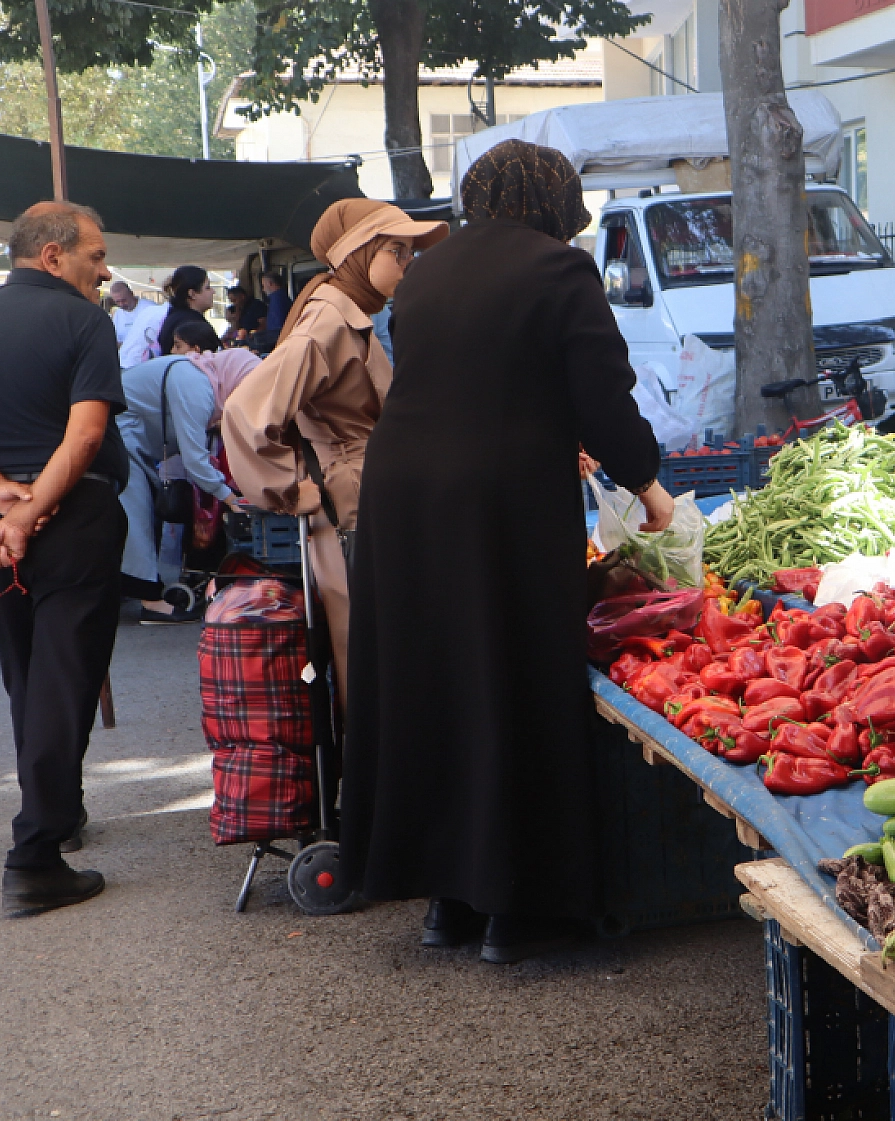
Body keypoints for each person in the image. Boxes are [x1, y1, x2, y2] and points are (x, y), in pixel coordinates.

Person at [339, 141, 674, 964]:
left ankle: (447, 902)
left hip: (405, 494)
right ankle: (518, 910)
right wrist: (650, 486)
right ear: (553, 202)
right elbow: (603, 395)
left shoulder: (427, 274)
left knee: (438, 680)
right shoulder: (558, 269)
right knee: (516, 679)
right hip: (500, 497)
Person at [222, 200, 446, 693]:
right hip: (351, 505)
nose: (406, 265)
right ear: (360, 254)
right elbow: (245, 411)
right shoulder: (328, 322)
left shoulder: (349, 316)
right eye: (397, 251)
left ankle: (378, 761)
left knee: (376, 650)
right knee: (368, 652)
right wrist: (283, 487)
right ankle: (374, 763)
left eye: (409, 253)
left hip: (367, 499)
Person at [0, 201, 130, 917]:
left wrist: (0, 499)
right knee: (63, 679)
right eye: (94, 256)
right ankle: (34, 852)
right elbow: (88, 435)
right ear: (53, 256)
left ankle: (57, 813)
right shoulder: (83, 321)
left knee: (27, 673)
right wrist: (34, 509)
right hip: (68, 520)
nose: (104, 270)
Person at [115, 319, 252, 623]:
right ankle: (151, 601)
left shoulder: (203, 377)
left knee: (130, 517)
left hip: (124, 439)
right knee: (136, 515)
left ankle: (129, 588)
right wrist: (230, 498)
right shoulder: (196, 385)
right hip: (118, 439)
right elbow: (195, 460)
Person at [109, 280, 168, 368]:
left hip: (148, 362)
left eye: (124, 300)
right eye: (117, 302)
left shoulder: (149, 308)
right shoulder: (118, 314)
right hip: (127, 362)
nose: (121, 304)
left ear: (131, 294)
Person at [157, 265, 213, 356]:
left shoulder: (176, 316)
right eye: (208, 287)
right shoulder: (189, 323)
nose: (213, 291)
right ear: (192, 294)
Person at [257, 269, 291, 349]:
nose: (263, 289)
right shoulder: (281, 297)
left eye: (263, 286)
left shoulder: (277, 299)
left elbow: (277, 327)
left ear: (270, 284)